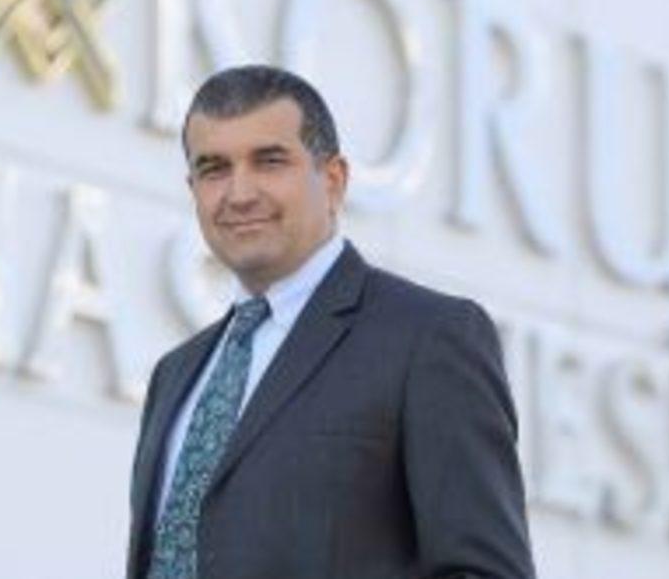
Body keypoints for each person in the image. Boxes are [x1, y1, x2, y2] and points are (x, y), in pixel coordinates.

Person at [126, 65, 536, 579]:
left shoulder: (428, 339)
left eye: (269, 161)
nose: (240, 193)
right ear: (193, 189)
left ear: (334, 180)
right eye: (214, 169)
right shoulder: (175, 375)